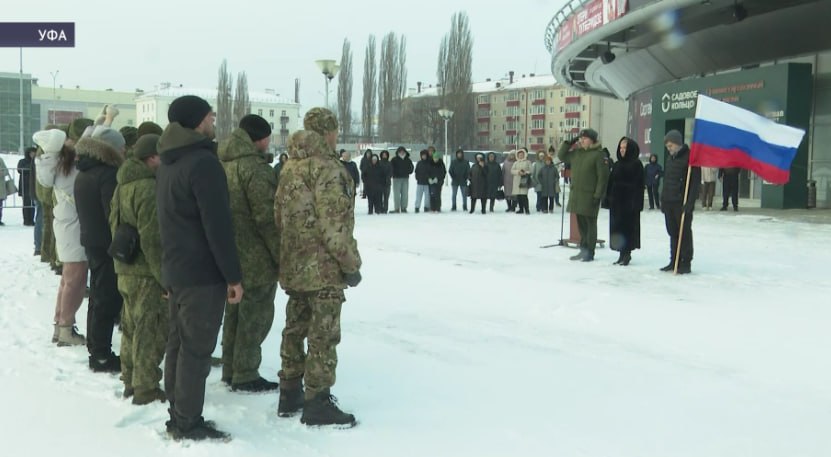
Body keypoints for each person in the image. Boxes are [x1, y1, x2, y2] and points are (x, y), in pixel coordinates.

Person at [156, 95, 243, 441]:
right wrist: (233, 276)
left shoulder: (168, 161)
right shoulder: (202, 163)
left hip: (178, 269)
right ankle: (188, 421)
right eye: (209, 116)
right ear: (196, 121)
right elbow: (217, 226)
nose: (213, 122)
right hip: (201, 274)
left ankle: (178, 413)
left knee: (179, 344)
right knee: (195, 349)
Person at [275, 108, 361, 427]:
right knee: (323, 335)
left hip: (294, 265)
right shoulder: (329, 169)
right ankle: (317, 402)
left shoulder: (289, 168)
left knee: (295, 327)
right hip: (323, 269)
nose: (337, 136)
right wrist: (351, 265)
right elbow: (335, 226)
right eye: (336, 131)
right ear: (327, 132)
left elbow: (279, 217)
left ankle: (290, 392)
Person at [218, 114, 281, 392]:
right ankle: (245, 372)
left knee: (233, 312)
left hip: (228, 252)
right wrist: (281, 255)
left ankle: (231, 368)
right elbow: (267, 218)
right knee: (255, 316)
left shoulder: (223, 163)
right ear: (261, 139)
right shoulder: (255, 169)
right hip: (255, 256)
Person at [109, 133, 168, 405]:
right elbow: (153, 238)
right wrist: (164, 278)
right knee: (150, 329)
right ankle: (146, 388)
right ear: (152, 158)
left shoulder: (123, 184)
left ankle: (130, 377)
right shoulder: (148, 188)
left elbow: (113, 222)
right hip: (145, 271)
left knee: (130, 326)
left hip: (125, 267)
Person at [75, 107, 126, 374]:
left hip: (92, 240)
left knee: (97, 296)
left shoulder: (86, 169)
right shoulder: (106, 174)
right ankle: (101, 354)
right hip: (106, 243)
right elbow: (113, 213)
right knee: (106, 298)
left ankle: (97, 348)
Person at [33, 126, 88, 346]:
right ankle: (65, 327)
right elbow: (87, 143)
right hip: (73, 229)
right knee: (75, 281)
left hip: (67, 227)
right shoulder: (67, 168)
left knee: (68, 279)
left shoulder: (57, 164)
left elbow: (85, 141)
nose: (74, 141)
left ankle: (60, 325)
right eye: (69, 139)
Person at [557, 129, 610, 262]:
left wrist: (598, 195)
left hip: (590, 195)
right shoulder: (577, 153)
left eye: (584, 138)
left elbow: (602, 178)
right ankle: (583, 249)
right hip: (577, 195)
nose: (582, 141)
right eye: (580, 138)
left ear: (592, 140)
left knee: (590, 224)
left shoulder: (599, 155)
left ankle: (589, 252)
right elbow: (561, 155)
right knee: (581, 224)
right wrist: (570, 142)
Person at [660, 130, 701, 274]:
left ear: (678, 143)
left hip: (681, 203)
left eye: (670, 145)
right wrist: (663, 200)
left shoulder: (690, 159)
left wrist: (689, 204)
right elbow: (667, 181)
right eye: (667, 146)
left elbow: (695, 184)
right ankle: (674, 260)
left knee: (684, 233)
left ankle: (685, 262)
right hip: (669, 202)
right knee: (673, 233)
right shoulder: (670, 159)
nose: (668, 149)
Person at [605, 137, 645, 266]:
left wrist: (636, 203)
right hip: (616, 204)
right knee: (617, 229)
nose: (622, 150)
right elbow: (611, 183)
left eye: (625, 148)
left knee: (627, 229)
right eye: (621, 148)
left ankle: (627, 254)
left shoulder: (636, 164)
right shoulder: (617, 164)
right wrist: (608, 199)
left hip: (629, 204)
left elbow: (639, 185)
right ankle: (621, 253)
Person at [390, 146, 413, 212]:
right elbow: (391, 168)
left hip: (405, 178)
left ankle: (404, 208)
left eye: (403, 151)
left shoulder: (408, 160)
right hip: (396, 179)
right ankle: (397, 208)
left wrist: (408, 171)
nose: (402, 153)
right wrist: (394, 173)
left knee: (405, 194)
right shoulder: (394, 159)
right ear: (398, 152)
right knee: (396, 194)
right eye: (400, 151)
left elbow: (411, 168)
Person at [17, 147, 36, 226]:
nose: (33, 154)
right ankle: (26, 220)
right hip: (25, 185)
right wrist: (31, 166)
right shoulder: (22, 161)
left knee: (33, 204)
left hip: (33, 185)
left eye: (34, 152)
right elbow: (20, 169)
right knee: (26, 203)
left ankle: (31, 220)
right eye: (31, 152)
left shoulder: (36, 161)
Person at [511, 149, 532, 214]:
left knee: (524, 196)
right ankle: (521, 209)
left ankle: (527, 209)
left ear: (524, 155)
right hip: (517, 181)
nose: (521, 156)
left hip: (524, 181)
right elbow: (512, 171)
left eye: (522, 155)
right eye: (519, 155)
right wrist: (518, 172)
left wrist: (525, 172)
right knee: (519, 196)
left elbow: (531, 170)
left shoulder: (528, 162)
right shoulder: (515, 163)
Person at [0, 155, 15, 226]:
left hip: (0, 187)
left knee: (0, 204)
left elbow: (6, 171)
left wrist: (2, 172)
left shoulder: (0, 160)